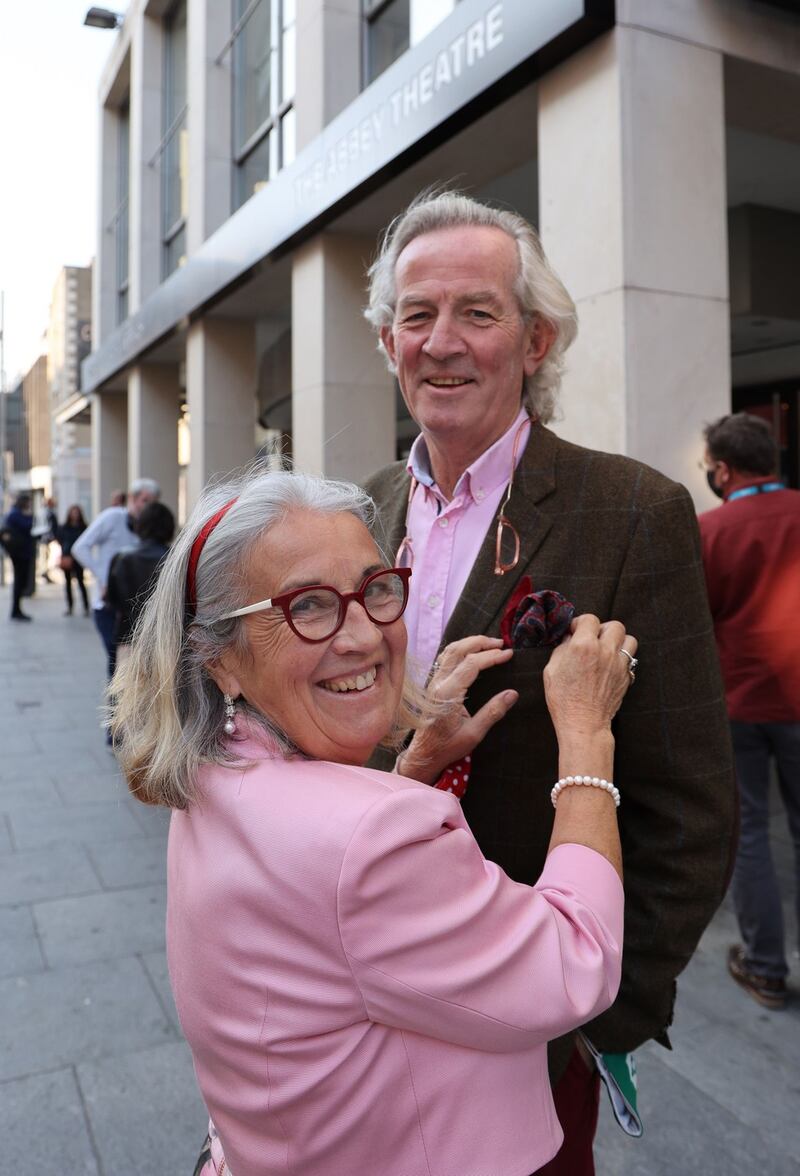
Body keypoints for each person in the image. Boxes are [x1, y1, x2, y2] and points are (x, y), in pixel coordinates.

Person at [110, 467, 636, 1176]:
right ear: (222, 659)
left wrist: (411, 773)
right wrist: (584, 734)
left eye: (376, 590)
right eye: (309, 606)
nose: (363, 635)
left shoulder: (214, 773)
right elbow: (578, 960)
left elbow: (322, 913)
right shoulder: (366, 840)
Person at [363, 190, 737, 1172]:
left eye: (475, 314)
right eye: (415, 314)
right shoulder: (352, 513)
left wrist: (593, 1011)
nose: (440, 342)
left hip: (524, 1033)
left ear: (534, 342)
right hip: (361, 995)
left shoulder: (631, 512)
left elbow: (691, 803)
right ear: (385, 340)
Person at [699, 412, 800, 1010]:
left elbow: (697, 621)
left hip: (739, 701)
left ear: (723, 469)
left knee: (753, 834)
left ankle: (765, 968)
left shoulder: (710, 530)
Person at [72, 477, 160, 680]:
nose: (147, 506)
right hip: (107, 606)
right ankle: (116, 710)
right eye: (144, 500)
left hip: (135, 607)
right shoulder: (112, 517)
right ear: (132, 499)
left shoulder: (149, 528)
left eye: (152, 502)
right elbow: (80, 547)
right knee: (116, 660)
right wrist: (104, 579)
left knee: (134, 664)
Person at [106, 501, 175, 664]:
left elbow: (112, 599)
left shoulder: (121, 557)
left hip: (129, 635)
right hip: (167, 638)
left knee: (127, 687)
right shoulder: (176, 558)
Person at [2, 493, 35, 621]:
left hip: (22, 552)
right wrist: (29, 516)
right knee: (19, 581)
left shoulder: (16, 513)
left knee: (21, 581)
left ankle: (17, 609)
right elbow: (27, 525)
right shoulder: (15, 514)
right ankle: (16, 610)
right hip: (19, 552)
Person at [56, 504, 90, 616]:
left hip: (78, 558)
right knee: (68, 583)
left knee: (81, 582)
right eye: (73, 512)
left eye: (76, 512)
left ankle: (86, 607)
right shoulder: (64, 527)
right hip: (67, 557)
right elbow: (60, 538)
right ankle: (70, 607)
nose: (75, 515)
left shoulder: (83, 527)